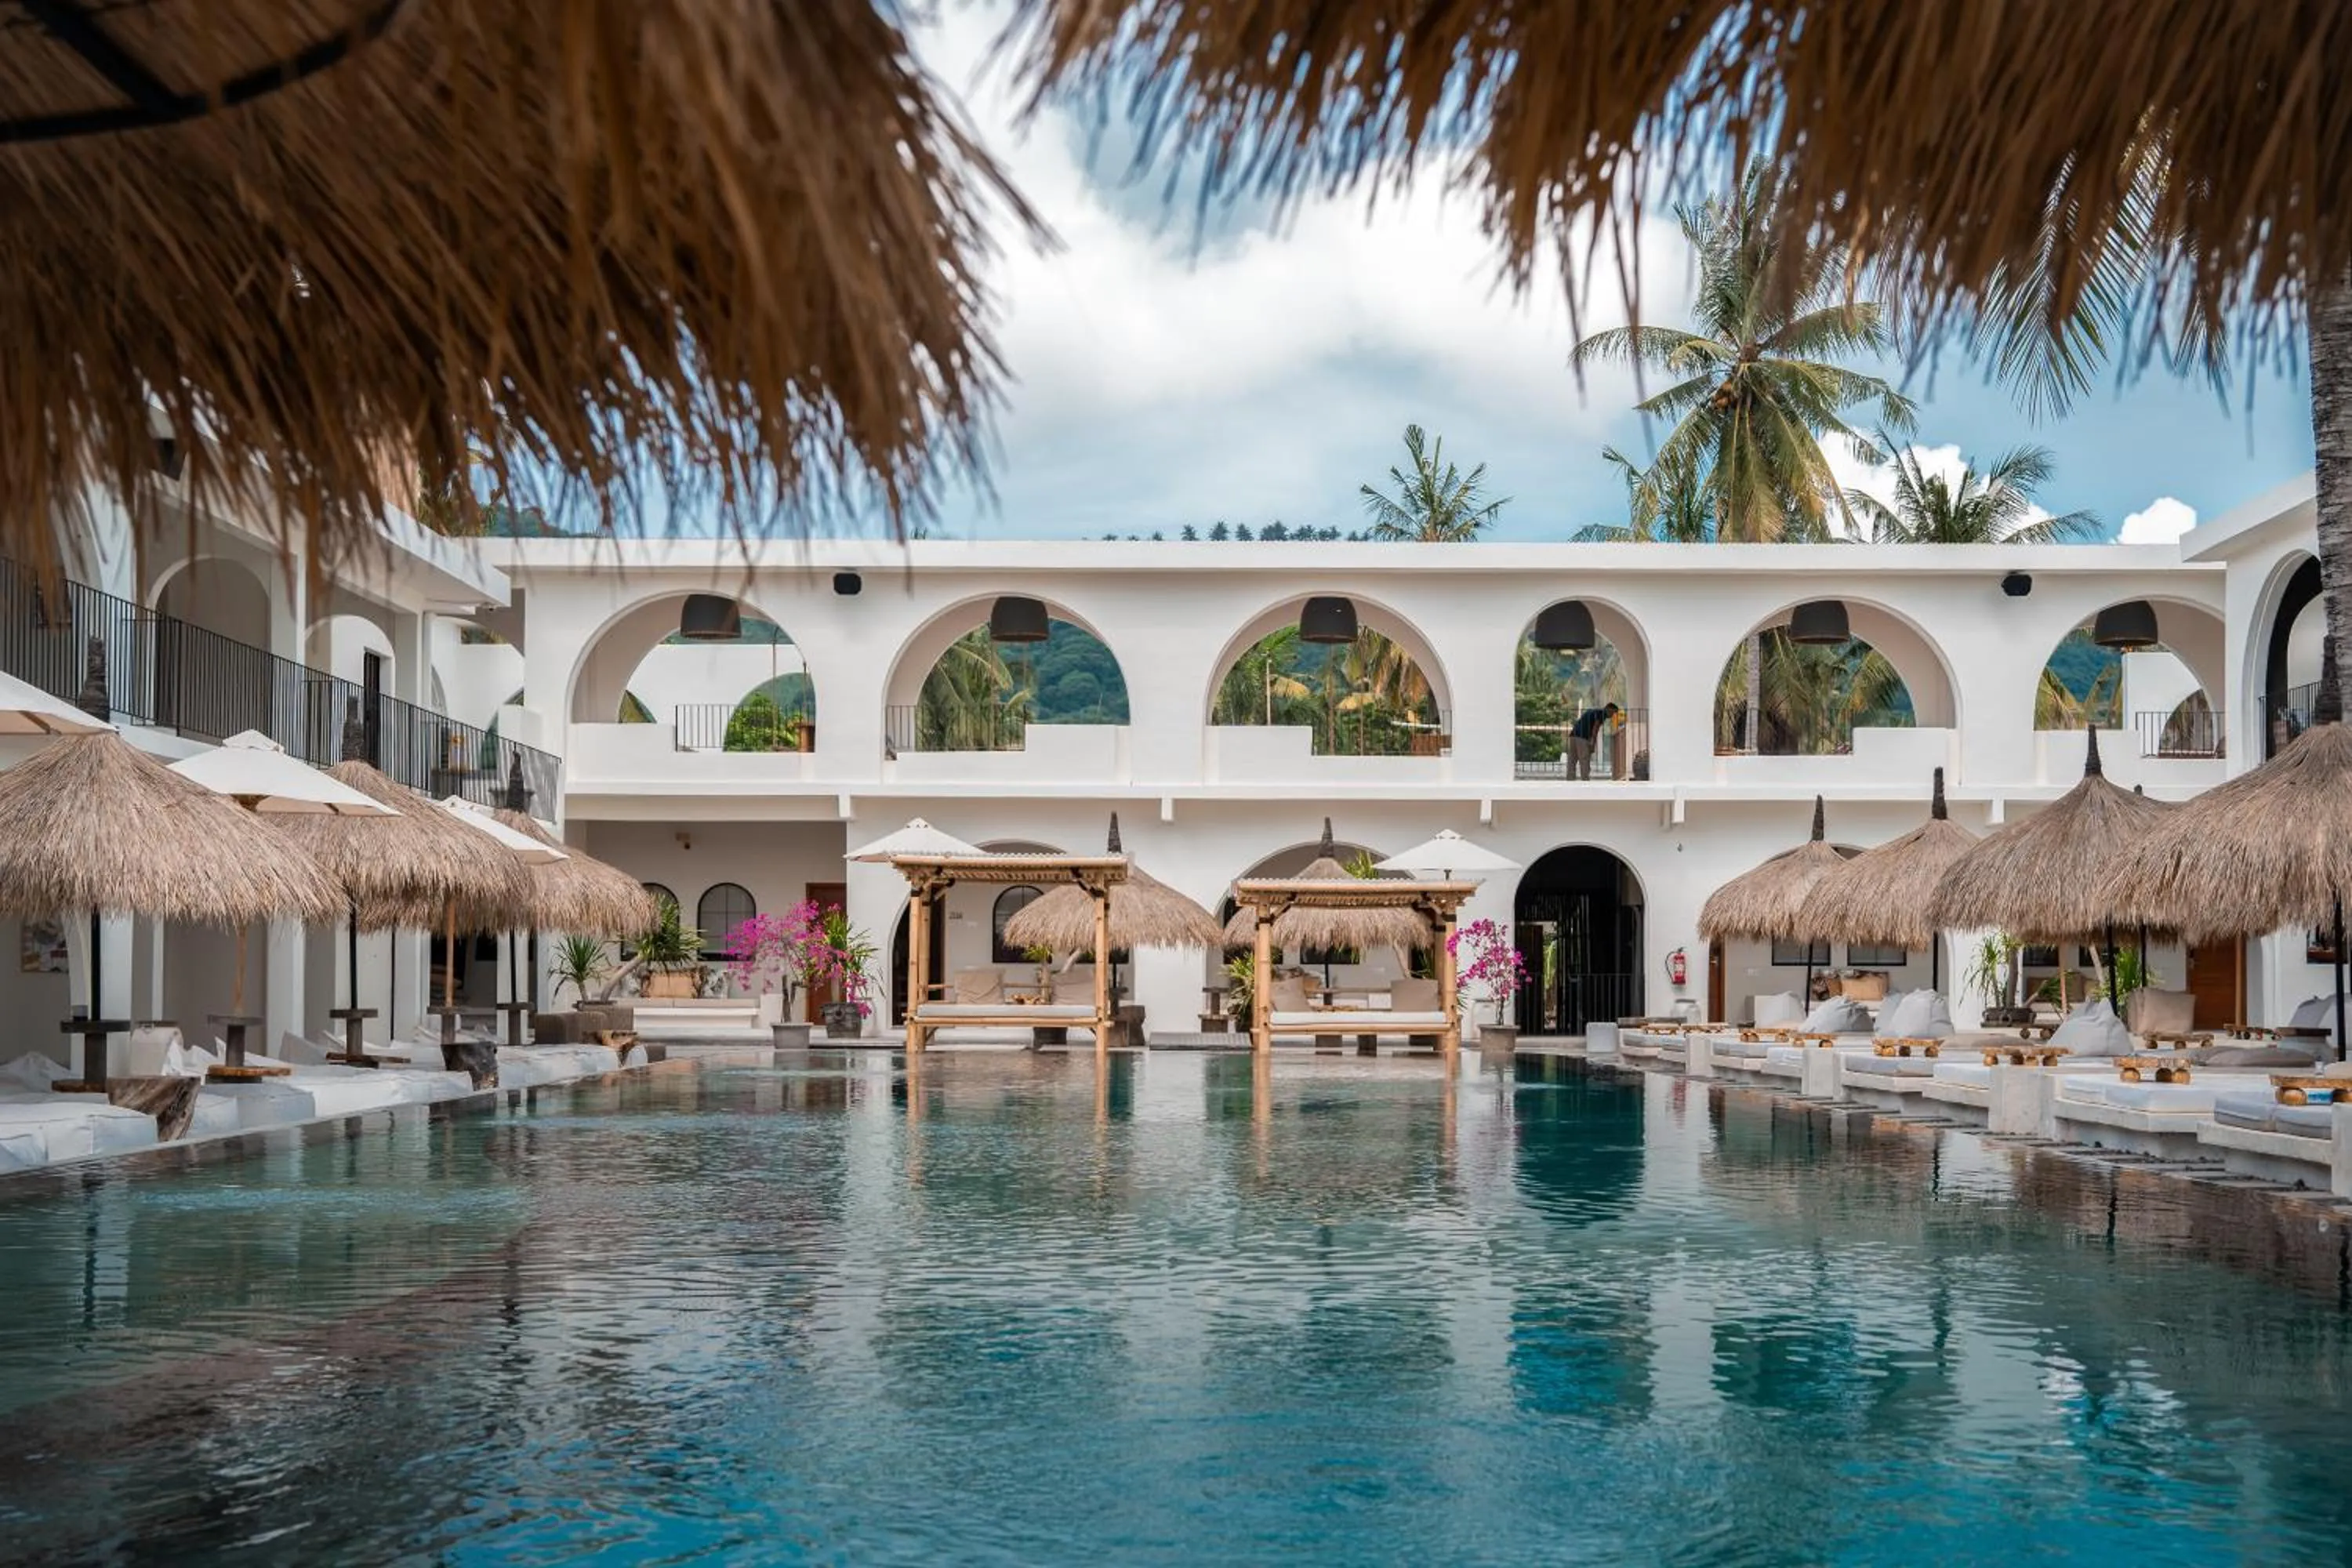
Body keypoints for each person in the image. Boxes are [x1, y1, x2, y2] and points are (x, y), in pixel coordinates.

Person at [1566, 702, 1621, 780]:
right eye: (1613, 713)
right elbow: (1596, 726)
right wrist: (1593, 741)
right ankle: (1585, 780)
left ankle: (1570, 779)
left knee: (1572, 759)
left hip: (1573, 735)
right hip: (1583, 737)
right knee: (1584, 759)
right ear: (1608, 709)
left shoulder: (1594, 711)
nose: (1612, 715)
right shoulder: (1602, 714)